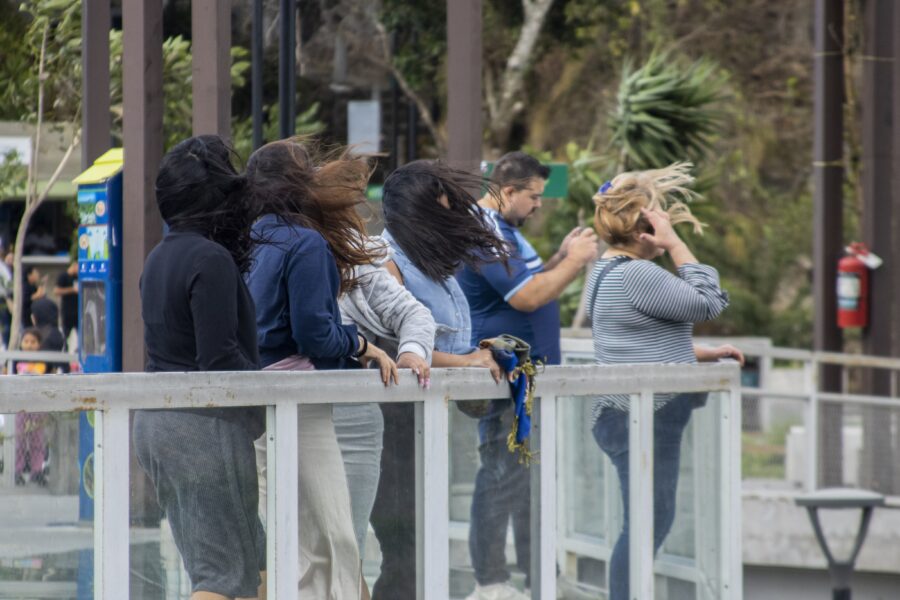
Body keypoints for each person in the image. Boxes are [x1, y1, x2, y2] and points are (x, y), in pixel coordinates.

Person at [245, 138, 397, 599]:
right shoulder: (305, 244)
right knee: (335, 537)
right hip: (301, 400)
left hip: (252, 396)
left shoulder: (247, 238)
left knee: (289, 534)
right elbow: (315, 333)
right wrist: (362, 344)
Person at [584, 162, 743, 600]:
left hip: (626, 412)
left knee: (649, 519)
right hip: (641, 416)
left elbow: (633, 338)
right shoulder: (637, 273)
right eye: (659, 219)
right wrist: (674, 243)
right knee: (647, 523)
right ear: (643, 231)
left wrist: (696, 353)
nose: (666, 225)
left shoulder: (605, 270)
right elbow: (709, 303)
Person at [456, 151, 599, 600]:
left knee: (526, 480)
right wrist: (574, 261)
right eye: (534, 197)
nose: (539, 205)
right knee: (500, 475)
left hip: (528, 378)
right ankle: (491, 582)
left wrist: (558, 256)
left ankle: (540, 578)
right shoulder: (484, 233)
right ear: (509, 191)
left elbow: (531, 280)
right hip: (505, 379)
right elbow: (525, 298)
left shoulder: (508, 233)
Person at [132, 135, 266, 600]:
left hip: (159, 423)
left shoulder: (158, 258)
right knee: (222, 578)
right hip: (203, 429)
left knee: (246, 573)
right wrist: (272, 394)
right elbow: (219, 361)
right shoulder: (211, 259)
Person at [370, 160, 509, 600]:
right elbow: (394, 350)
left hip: (424, 420)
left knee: (420, 544)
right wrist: (466, 363)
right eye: (443, 208)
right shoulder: (386, 262)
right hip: (389, 421)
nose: (453, 216)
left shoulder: (432, 265)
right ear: (418, 210)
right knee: (404, 548)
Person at [335, 234, 435, 578]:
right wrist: (363, 346)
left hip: (356, 419)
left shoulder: (356, 259)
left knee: (347, 554)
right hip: (279, 418)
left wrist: (410, 352)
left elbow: (416, 315)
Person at [13, 327, 48, 486]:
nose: (29, 344)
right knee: (19, 439)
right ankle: (17, 470)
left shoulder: (41, 361)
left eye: (33, 341)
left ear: (39, 345)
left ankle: (37, 470)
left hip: (38, 406)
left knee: (37, 439)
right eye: (26, 341)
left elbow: (40, 373)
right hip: (20, 406)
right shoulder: (16, 360)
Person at [54, 261, 78, 346]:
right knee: (65, 334)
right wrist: (72, 290)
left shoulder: (77, 277)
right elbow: (56, 291)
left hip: (78, 310)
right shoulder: (63, 276)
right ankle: (64, 348)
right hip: (67, 310)